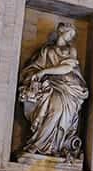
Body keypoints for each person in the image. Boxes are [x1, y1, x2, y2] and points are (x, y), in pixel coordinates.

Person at [17, 22, 89, 160]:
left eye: (72, 35)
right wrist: (36, 74)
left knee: (58, 110)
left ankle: (54, 146)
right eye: (70, 34)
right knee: (53, 109)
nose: (71, 37)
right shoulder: (46, 50)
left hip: (68, 87)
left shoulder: (71, 50)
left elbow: (67, 68)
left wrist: (44, 72)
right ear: (62, 31)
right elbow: (34, 68)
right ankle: (40, 144)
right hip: (50, 85)